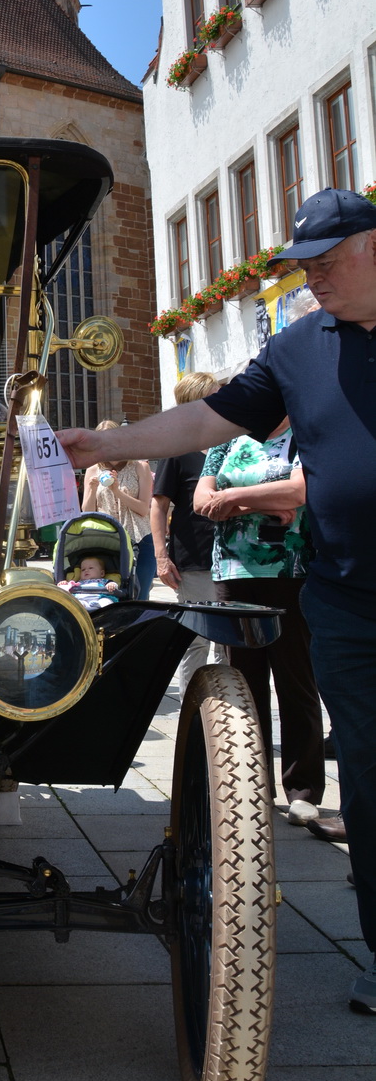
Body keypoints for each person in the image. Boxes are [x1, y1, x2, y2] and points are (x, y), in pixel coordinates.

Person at [56, 187, 376, 1016]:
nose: (311, 280)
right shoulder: (302, 347)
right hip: (344, 598)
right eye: (300, 267)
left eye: (325, 262)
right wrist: (108, 441)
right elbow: (209, 418)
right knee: (370, 780)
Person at [194, 421, 325, 825]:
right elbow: (201, 500)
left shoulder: (302, 433)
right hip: (234, 574)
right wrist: (262, 502)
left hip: (291, 572)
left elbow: (298, 491)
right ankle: (252, 787)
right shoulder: (227, 441)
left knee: (295, 680)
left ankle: (302, 789)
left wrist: (234, 499)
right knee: (243, 687)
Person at [151, 371, 219, 686]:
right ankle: (194, 713)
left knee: (231, 639)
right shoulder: (177, 450)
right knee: (198, 637)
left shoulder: (228, 445)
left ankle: (229, 707)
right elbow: (158, 506)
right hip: (193, 558)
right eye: (215, 393)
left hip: (232, 558)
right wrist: (161, 558)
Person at [83, 423, 155, 598]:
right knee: (110, 595)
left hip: (140, 539)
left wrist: (117, 492)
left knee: (140, 595)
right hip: (109, 542)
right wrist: (92, 489)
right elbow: (86, 512)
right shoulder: (93, 469)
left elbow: (144, 509)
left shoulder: (140, 466)